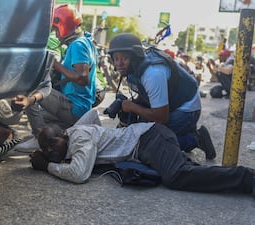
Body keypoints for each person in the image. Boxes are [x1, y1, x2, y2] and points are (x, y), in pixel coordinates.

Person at [29, 109, 255, 196]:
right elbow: (92, 114)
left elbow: (79, 174)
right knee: (184, 172)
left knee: (177, 177)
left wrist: (46, 166)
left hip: (149, 139)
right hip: (148, 142)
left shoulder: (79, 138)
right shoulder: (74, 132)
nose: (49, 150)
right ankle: (227, 176)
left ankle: (247, 178)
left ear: (64, 135)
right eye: (46, 149)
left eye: (52, 143)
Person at [105, 33, 216, 159]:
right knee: (141, 128)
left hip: (187, 108)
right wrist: (134, 104)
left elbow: (161, 117)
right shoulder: (134, 68)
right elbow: (145, 94)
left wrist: (132, 107)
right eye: (116, 58)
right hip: (173, 103)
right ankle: (184, 133)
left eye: (124, 58)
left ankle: (196, 138)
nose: (119, 63)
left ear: (135, 56)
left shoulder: (152, 74)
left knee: (150, 144)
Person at [14, 4, 98, 149]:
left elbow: (83, 78)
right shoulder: (85, 41)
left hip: (75, 107)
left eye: (56, 29)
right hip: (78, 108)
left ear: (64, 25)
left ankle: (38, 137)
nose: (56, 34)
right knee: (41, 117)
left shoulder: (78, 45)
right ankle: (44, 136)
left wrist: (54, 63)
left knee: (31, 89)